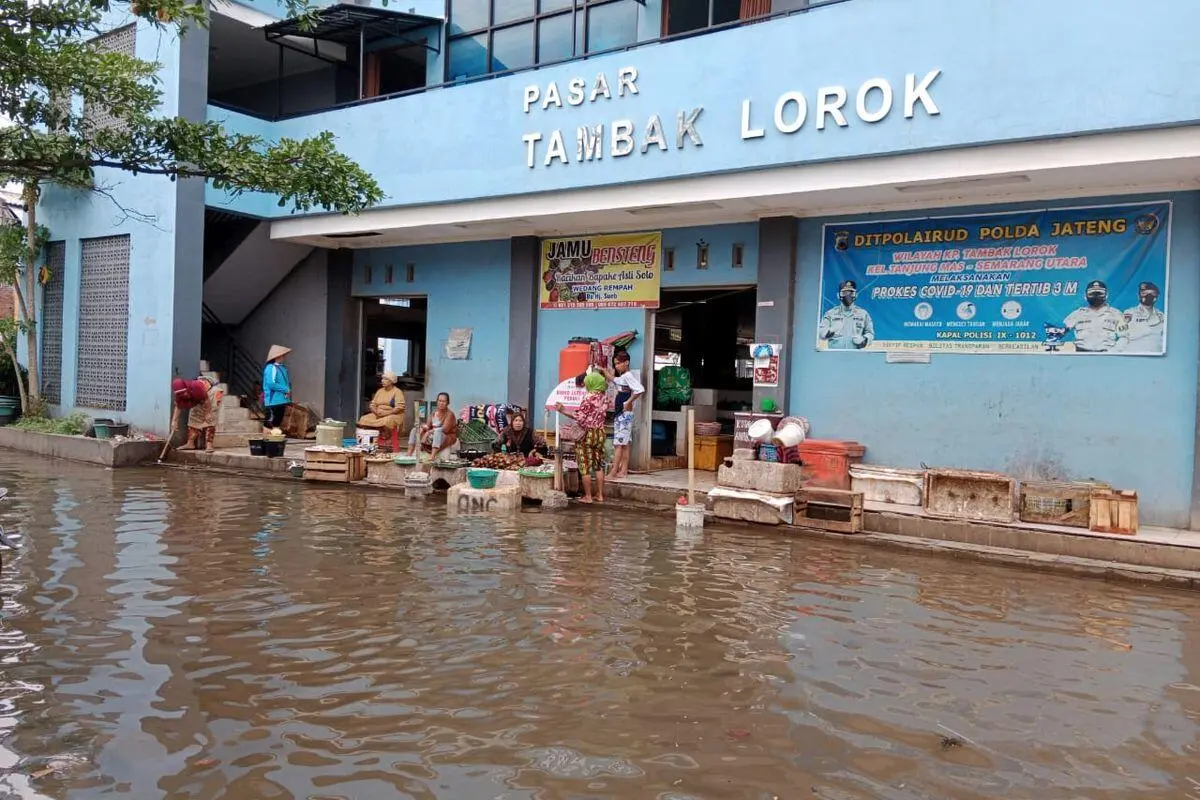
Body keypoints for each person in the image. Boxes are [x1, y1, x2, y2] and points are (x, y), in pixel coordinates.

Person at [556, 370, 608, 504]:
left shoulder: (589, 397)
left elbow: (580, 418)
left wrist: (563, 410)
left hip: (587, 434)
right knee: (598, 465)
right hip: (600, 432)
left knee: (584, 465)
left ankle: (588, 496)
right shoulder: (604, 397)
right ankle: (600, 495)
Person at [607, 351, 643, 480]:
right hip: (623, 414)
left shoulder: (628, 376)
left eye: (618, 363)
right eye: (615, 364)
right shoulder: (623, 377)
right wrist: (605, 371)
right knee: (625, 444)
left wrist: (628, 401)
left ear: (626, 362)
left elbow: (639, 389)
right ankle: (623, 471)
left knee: (618, 444)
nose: (617, 366)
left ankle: (613, 472)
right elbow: (614, 379)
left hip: (623, 414)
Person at [1064, 280, 1128, 352]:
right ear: (1085, 296)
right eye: (1092, 293)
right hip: (1081, 356)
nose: (1096, 296)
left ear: (1106, 295)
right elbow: (1061, 331)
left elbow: (1124, 337)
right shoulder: (1077, 314)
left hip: (1107, 356)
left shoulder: (1116, 314)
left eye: (1100, 293)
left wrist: (1114, 351)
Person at [818, 279, 875, 350]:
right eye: (844, 293)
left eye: (851, 293)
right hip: (834, 356)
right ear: (838, 295)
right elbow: (821, 333)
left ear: (856, 295)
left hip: (856, 356)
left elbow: (870, 333)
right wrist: (830, 331)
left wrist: (864, 340)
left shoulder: (863, 314)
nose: (848, 296)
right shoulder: (830, 314)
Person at [408, 391, 458, 459]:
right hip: (433, 434)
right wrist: (422, 427)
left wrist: (428, 432)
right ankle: (409, 453)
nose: (441, 403)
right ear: (437, 401)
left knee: (438, 431)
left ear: (447, 403)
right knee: (415, 430)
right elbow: (428, 425)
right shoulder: (435, 412)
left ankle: (432, 456)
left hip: (446, 436)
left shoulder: (450, 414)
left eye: (444, 401)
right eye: (439, 401)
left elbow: (445, 429)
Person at [182, 374, 223, 452]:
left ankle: (209, 444)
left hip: (211, 397)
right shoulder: (189, 388)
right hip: (199, 399)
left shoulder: (215, 390)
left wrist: (208, 413)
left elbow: (208, 401)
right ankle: (190, 443)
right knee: (193, 416)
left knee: (210, 418)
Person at [1123, 281, 1165, 354]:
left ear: (1156, 297)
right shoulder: (1129, 313)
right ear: (1138, 296)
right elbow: (1124, 335)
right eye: (1144, 293)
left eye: (1152, 294)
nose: (1149, 296)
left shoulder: (1162, 316)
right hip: (1134, 353)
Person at [262, 344, 292, 434]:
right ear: (277, 356)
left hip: (281, 400)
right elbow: (271, 383)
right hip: (273, 401)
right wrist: (286, 389)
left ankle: (274, 444)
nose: (284, 357)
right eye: (282, 355)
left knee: (277, 423)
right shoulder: (271, 368)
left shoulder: (281, 367)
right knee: (270, 423)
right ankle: (267, 443)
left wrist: (287, 391)